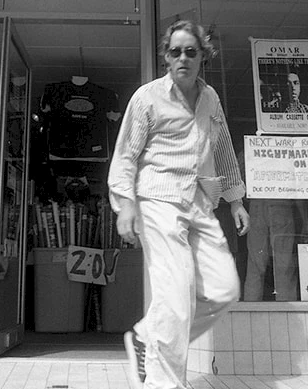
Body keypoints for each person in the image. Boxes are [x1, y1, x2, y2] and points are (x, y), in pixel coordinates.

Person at [107, 20, 250, 389]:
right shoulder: (147, 97)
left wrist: (235, 201)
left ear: (203, 55)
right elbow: (125, 155)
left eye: (191, 51)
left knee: (224, 290)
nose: (183, 58)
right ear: (166, 57)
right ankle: (163, 382)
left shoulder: (211, 98)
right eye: (175, 51)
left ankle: (147, 337)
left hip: (199, 201)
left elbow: (220, 148)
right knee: (175, 296)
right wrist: (125, 204)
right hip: (157, 198)